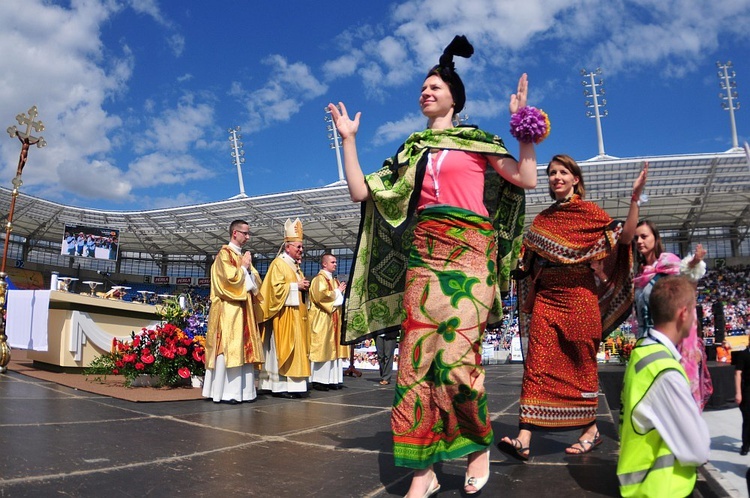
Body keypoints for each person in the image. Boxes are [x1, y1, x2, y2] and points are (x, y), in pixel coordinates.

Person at [329, 35, 538, 497]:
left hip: (470, 258)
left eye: (434, 88)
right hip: (424, 258)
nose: (426, 93)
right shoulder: (412, 151)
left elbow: (525, 178)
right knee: (416, 366)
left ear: (454, 99)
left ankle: (477, 446)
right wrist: (349, 141)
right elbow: (363, 193)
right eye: (423, 88)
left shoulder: (480, 143)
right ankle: (422, 476)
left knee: (458, 361)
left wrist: (523, 131)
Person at [499, 154, 647, 460]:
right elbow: (525, 262)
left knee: (581, 365)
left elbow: (625, 237)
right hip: (547, 298)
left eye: (562, 172)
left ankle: (590, 431)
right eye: (552, 173)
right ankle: (524, 438)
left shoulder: (590, 213)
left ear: (575, 179)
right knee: (536, 365)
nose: (556, 177)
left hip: (580, 298)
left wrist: (634, 199)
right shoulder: (542, 220)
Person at [617, 275, 711, 496]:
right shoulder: (665, 371)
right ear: (683, 313)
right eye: (694, 309)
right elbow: (699, 450)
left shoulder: (643, 351)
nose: (696, 318)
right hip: (659, 488)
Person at [632, 219, 712, 410]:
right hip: (645, 342)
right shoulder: (640, 273)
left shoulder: (668, 263)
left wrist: (694, 262)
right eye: (636, 238)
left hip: (670, 344)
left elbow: (686, 284)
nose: (639, 241)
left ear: (655, 238)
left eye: (644, 236)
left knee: (675, 401)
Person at [202, 219, 265, 404]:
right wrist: (244, 268)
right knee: (229, 348)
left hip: (243, 310)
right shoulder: (224, 254)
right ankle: (227, 392)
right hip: (228, 310)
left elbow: (256, 283)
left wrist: (248, 270)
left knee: (243, 348)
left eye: (248, 233)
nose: (248, 237)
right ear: (234, 233)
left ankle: (243, 392)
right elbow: (227, 282)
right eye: (245, 233)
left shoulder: (242, 256)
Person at [258, 218, 311, 399]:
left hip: (296, 315)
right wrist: (296, 286)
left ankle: (292, 385)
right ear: (287, 246)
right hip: (283, 316)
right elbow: (275, 290)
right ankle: (281, 386)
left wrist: (302, 286)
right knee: (283, 349)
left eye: (301, 247)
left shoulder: (295, 266)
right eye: (298, 247)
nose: (301, 250)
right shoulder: (279, 264)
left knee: (297, 349)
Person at [308, 253, 348, 391]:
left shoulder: (334, 280)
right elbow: (321, 297)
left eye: (336, 262)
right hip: (323, 318)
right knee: (323, 348)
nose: (335, 264)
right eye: (333, 262)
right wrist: (338, 292)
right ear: (324, 264)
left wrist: (339, 291)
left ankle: (332, 379)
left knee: (333, 349)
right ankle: (319, 380)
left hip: (333, 319)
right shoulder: (319, 279)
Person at [734, 335, 750, 454]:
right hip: (747, 391)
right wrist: (738, 393)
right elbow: (737, 374)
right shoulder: (744, 354)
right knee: (748, 420)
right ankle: (745, 446)